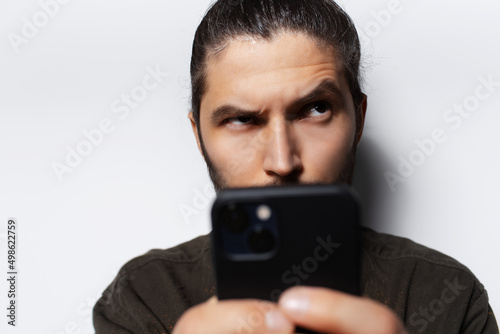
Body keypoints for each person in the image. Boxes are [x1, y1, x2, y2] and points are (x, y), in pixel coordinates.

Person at [93, 0, 498, 333]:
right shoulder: (142, 298)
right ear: (198, 136)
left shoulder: (448, 296)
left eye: (315, 110)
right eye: (241, 119)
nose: (283, 162)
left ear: (358, 119)